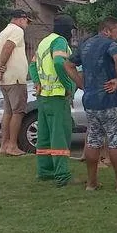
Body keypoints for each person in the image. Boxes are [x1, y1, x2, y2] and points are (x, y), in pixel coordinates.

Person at [67, 17, 117, 193]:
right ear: (107, 31)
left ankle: (91, 183)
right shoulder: (110, 44)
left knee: (93, 140)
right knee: (116, 141)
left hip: (90, 101)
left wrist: (82, 85)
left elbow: (68, 65)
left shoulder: (85, 44)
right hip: (109, 101)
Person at [29, 15, 77, 186]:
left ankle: (45, 171)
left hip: (44, 97)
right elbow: (58, 62)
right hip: (58, 96)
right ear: (69, 30)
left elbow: (32, 65)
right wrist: (68, 86)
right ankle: (62, 175)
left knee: (44, 136)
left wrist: (37, 83)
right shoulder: (60, 42)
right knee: (59, 135)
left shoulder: (44, 42)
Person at [0, 9, 31, 156]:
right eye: (27, 21)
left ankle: (4, 145)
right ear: (21, 19)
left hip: (6, 80)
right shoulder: (17, 31)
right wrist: (1, 69)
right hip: (15, 79)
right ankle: (12, 145)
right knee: (18, 112)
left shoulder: (3, 32)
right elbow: (9, 47)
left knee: (8, 112)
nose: (27, 24)